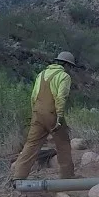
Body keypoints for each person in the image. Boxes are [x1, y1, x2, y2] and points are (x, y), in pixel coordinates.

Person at [11, 51, 77, 180]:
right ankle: (67, 176)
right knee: (63, 144)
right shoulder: (64, 76)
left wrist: (35, 114)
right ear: (67, 65)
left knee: (31, 145)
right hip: (52, 114)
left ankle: (18, 176)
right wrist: (59, 118)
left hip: (37, 114)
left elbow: (33, 96)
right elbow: (61, 97)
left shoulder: (41, 74)